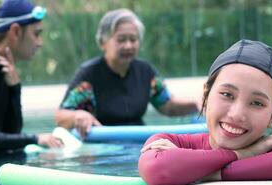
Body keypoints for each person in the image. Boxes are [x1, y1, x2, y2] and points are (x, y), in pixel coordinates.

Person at [138, 39, 272, 185]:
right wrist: (247, 153)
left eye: (256, 103)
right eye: (227, 94)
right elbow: (158, 170)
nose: (237, 115)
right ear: (206, 95)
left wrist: (209, 173)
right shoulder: (170, 140)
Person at [55, 8, 199, 137]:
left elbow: (169, 106)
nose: (128, 45)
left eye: (133, 39)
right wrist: (77, 115)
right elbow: (61, 116)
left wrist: (198, 104)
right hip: (102, 145)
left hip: (138, 141)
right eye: (121, 39)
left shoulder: (145, 72)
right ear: (103, 42)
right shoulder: (89, 75)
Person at [0, 0, 63, 153]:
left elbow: (12, 136)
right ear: (15, 32)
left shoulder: (5, 69)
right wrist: (35, 138)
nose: (40, 42)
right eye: (36, 34)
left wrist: (14, 88)